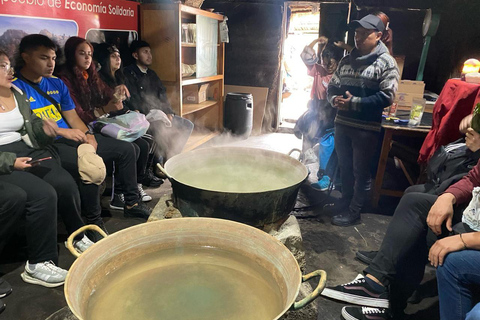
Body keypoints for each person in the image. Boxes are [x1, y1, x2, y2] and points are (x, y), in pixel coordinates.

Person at [13, 34, 151, 220]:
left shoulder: (57, 83)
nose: (50, 63)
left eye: (53, 58)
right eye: (44, 58)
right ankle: (93, 221)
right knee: (87, 165)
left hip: (73, 135)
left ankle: (131, 203)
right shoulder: (15, 88)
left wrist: (88, 135)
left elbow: (73, 117)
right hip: (49, 143)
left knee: (126, 150)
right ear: (26, 57)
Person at [0, 50, 88, 288]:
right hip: (4, 157)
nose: (10, 71)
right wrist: (10, 162)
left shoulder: (16, 93)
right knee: (42, 194)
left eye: (9, 66)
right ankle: (38, 262)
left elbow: (33, 125)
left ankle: (78, 235)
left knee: (63, 182)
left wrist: (48, 130)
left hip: (24, 149)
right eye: (2, 67)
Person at [56, 36, 156, 205]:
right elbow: (78, 115)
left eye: (89, 54)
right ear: (72, 55)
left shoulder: (91, 74)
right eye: (82, 53)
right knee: (130, 148)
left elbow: (108, 95)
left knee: (142, 143)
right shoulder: (63, 80)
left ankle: (132, 192)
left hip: (95, 124)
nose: (87, 58)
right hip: (83, 128)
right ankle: (122, 198)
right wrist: (106, 109)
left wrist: (116, 92)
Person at [326, 14, 399, 226]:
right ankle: (345, 201)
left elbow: (388, 96)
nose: (358, 38)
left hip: (365, 128)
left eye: (365, 34)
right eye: (357, 33)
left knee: (360, 170)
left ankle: (355, 211)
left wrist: (354, 103)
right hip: (343, 124)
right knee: (345, 167)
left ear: (378, 36)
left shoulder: (386, 63)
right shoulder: (346, 60)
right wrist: (334, 100)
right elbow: (332, 86)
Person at [94, 42, 163, 189]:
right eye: (113, 56)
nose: (118, 59)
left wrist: (166, 112)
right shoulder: (98, 79)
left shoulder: (120, 77)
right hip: (108, 122)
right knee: (143, 143)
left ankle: (143, 176)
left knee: (151, 137)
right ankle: (131, 186)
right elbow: (106, 107)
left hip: (122, 117)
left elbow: (128, 103)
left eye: (119, 56)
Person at [124, 40, 194, 161]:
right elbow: (133, 98)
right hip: (143, 116)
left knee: (187, 125)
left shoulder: (152, 74)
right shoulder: (128, 73)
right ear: (135, 55)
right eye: (145, 52)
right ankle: (158, 163)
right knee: (161, 128)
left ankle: (171, 159)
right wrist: (147, 114)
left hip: (159, 113)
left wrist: (168, 112)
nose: (149, 55)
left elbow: (162, 94)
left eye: (150, 52)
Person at [296, 36, 343, 191]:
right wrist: (316, 42)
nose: (327, 65)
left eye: (331, 62)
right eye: (324, 61)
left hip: (332, 113)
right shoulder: (318, 70)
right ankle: (305, 169)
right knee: (307, 137)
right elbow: (306, 55)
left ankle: (326, 177)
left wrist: (346, 46)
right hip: (316, 109)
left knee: (327, 145)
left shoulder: (342, 74)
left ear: (338, 61)